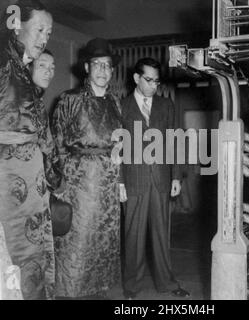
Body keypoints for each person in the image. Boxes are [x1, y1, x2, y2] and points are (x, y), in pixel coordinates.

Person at [51, 38, 125, 299]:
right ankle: (69, 293)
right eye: (97, 65)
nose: (103, 70)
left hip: (108, 184)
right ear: (87, 68)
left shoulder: (115, 103)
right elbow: (56, 143)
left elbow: (120, 141)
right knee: (77, 243)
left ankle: (98, 292)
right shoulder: (68, 100)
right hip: (78, 183)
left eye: (107, 66)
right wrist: (59, 183)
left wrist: (120, 180)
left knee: (103, 244)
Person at [121, 57, 190, 299]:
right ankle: (132, 286)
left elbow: (175, 142)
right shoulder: (122, 107)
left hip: (161, 179)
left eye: (156, 81)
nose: (153, 86)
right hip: (133, 181)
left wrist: (176, 177)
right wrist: (119, 182)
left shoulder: (166, 106)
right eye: (148, 80)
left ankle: (167, 284)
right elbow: (117, 149)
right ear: (136, 78)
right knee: (133, 238)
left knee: (161, 235)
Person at [0, 0, 55, 300]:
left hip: (33, 193)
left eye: (48, 32)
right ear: (17, 26)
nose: (44, 37)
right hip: (9, 190)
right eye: (39, 29)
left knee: (34, 266)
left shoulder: (23, 72)